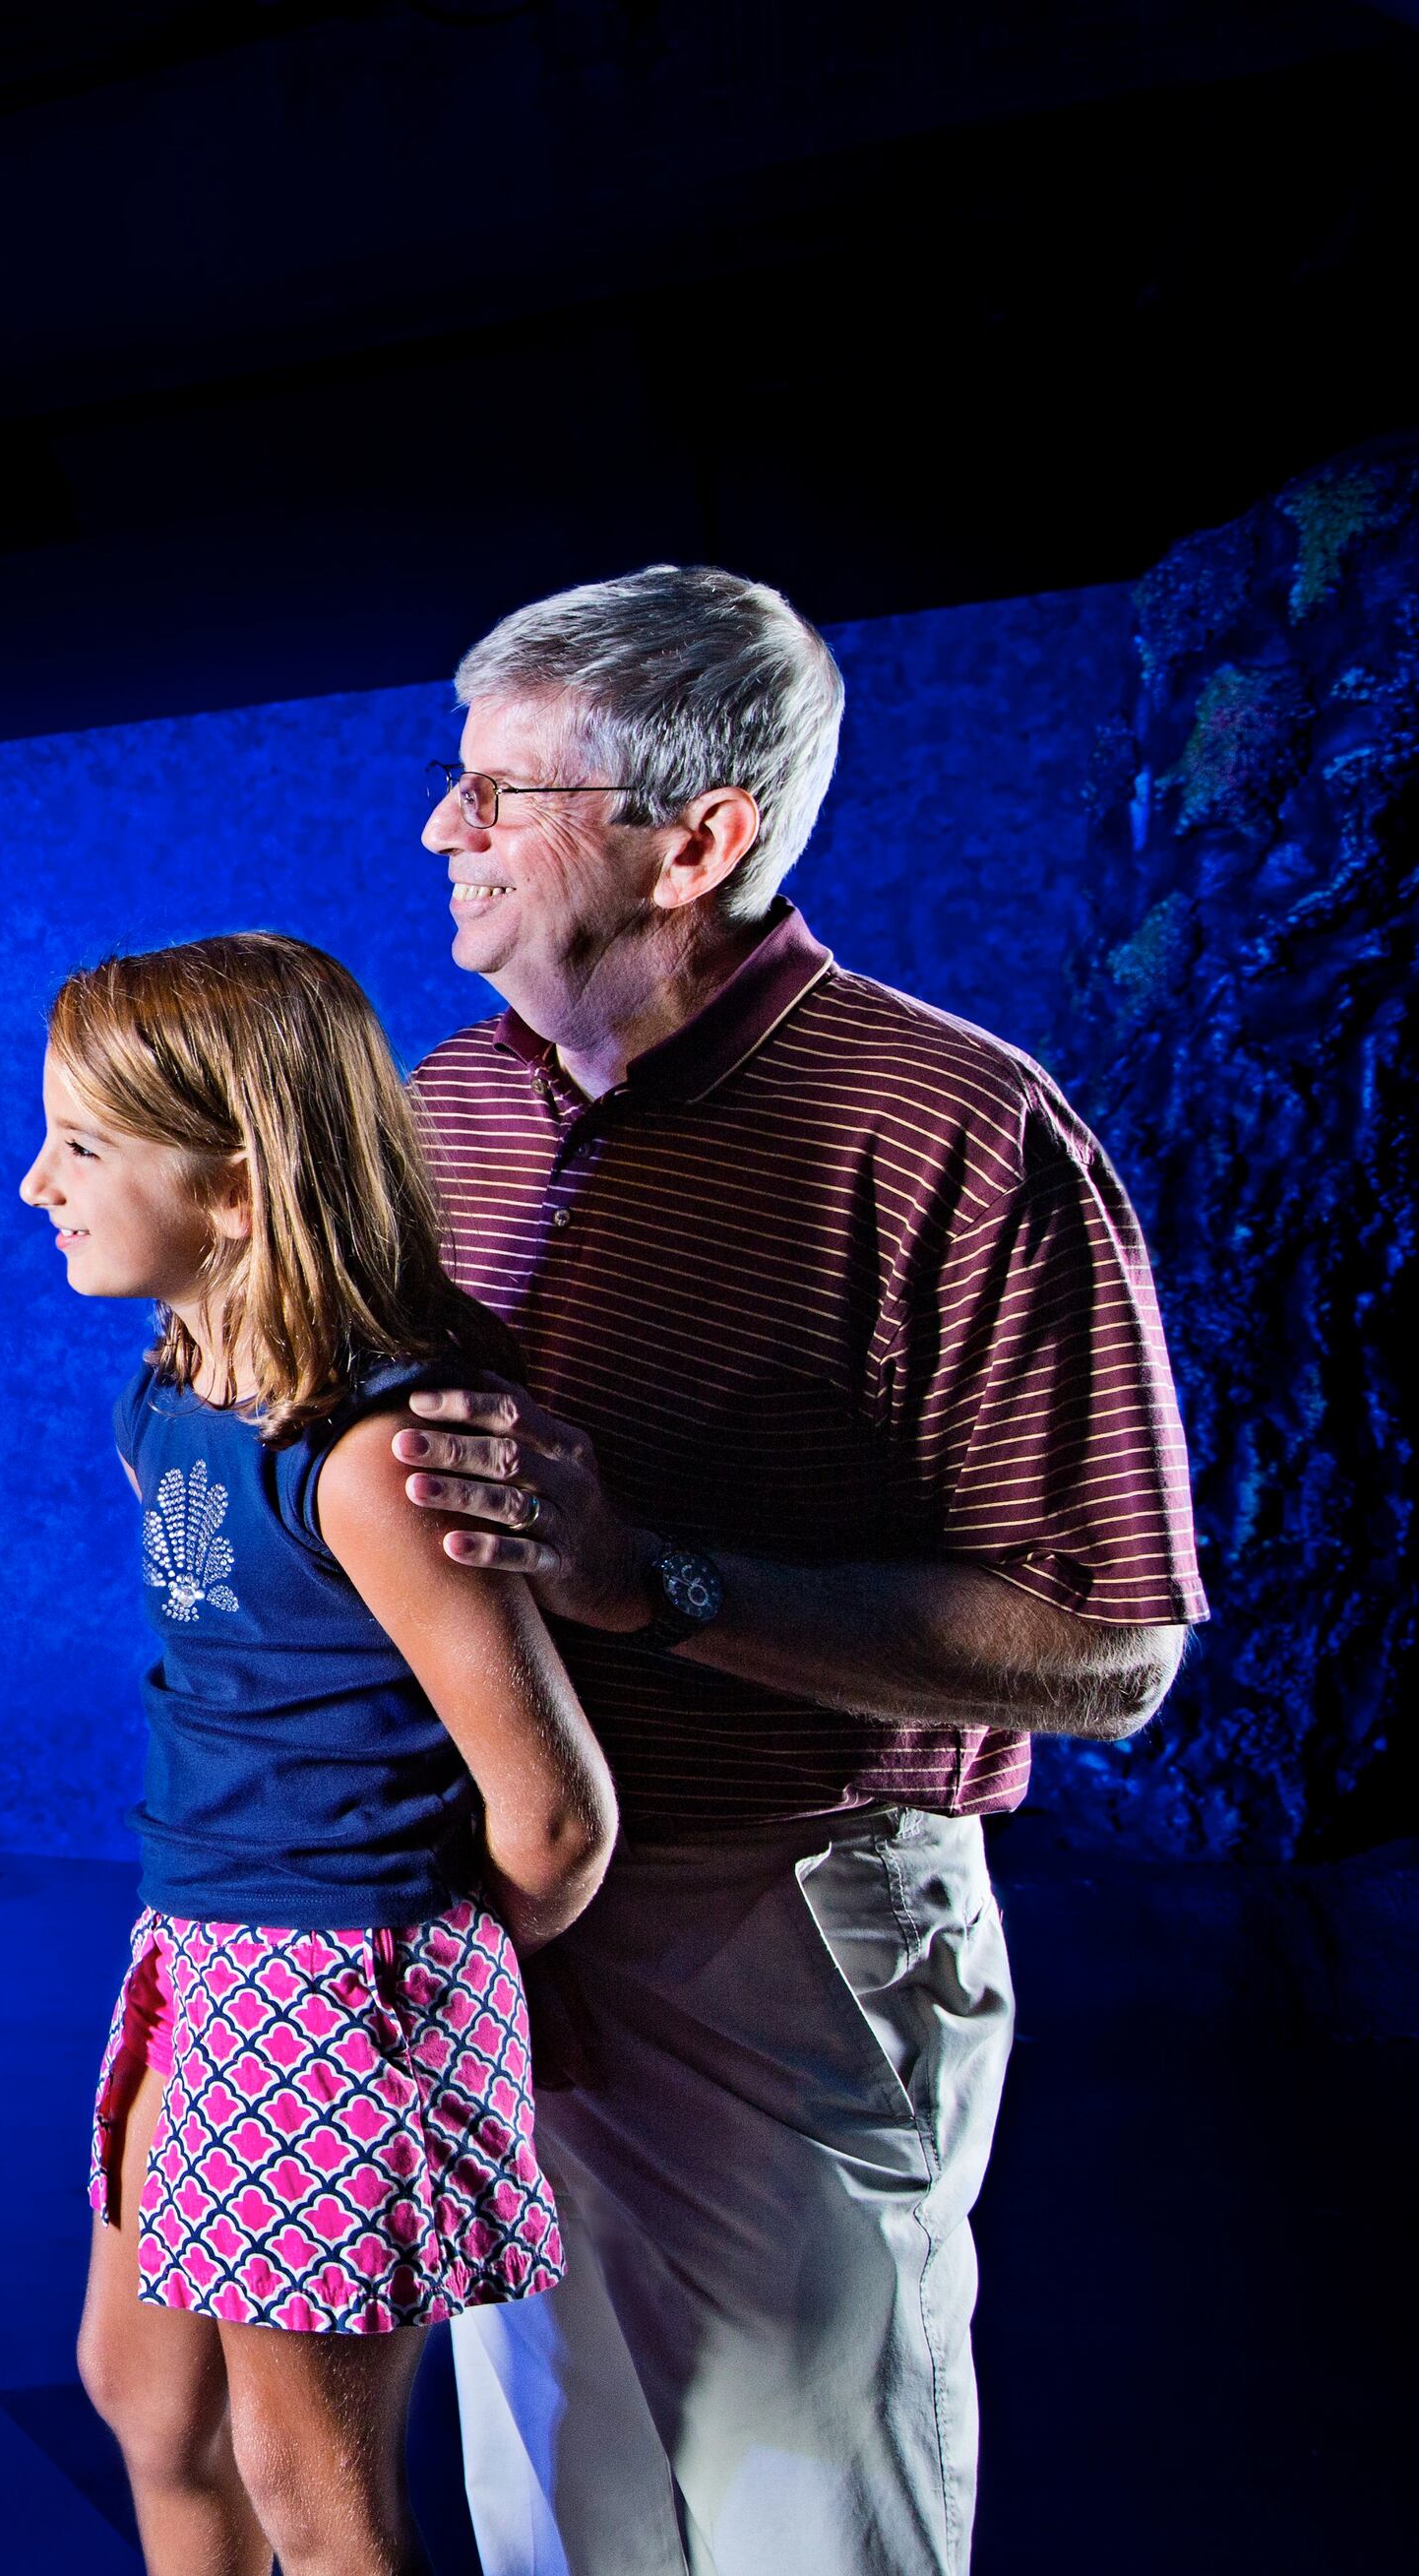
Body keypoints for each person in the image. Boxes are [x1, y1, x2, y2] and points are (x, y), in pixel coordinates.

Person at [392, 566, 1205, 2576]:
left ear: (698, 835)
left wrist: (654, 1577)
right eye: (454, 778)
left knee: (803, 2521)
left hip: (786, 1923)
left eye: (501, 790)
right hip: (489, 1920)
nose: (442, 831)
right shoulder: (441, 1111)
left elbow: (1112, 1645)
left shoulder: (956, 1129)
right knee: (551, 2516)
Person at [29, 934, 619, 2576]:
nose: (35, 1184)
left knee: (316, 2485)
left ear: (233, 1188)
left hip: (330, 1979)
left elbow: (554, 1813)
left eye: (83, 1148)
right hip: (196, 1952)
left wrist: (439, 1980)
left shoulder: (374, 1457)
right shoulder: (171, 1392)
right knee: (147, 2398)